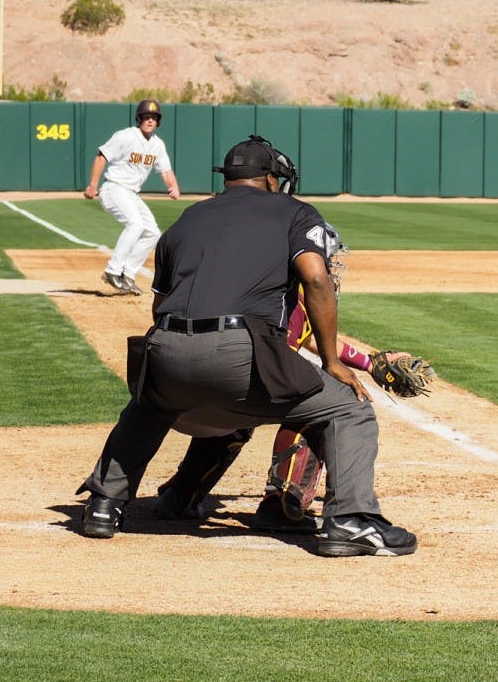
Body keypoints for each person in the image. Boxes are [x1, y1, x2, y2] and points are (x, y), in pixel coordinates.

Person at [76, 134, 417, 557]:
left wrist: (187, 356)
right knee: (348, 407)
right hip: (241, 354)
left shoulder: (188, 218)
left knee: (148, 403)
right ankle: (350, 520)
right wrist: (333, 360)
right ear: (272, 179)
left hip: (163, 351)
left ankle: (104, 505)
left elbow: (160, 304)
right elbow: (314, 278)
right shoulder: (294, 212)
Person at [153, 223, 428, 534]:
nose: (331, 266)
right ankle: (283, 503)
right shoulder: (294, 296)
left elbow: (313, 338)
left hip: (184, 389)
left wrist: (370, 363)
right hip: (241, 385)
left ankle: (180, 496)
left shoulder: (261, 285)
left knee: (234, 418)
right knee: (322, 401)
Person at [83, 99, 181, 296]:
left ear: (158, 121)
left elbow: (166, 169)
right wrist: (92, 185)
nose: (150, 120)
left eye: (154, 117)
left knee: (152, 232)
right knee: (135, 224)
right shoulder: (126, 136)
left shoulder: (157, 145)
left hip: (131, 193)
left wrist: (173, 186)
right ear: (139, 118)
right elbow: (102, 156)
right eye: (146, 117)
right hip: (114, 188)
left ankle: (127, 275)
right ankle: (112, 270)